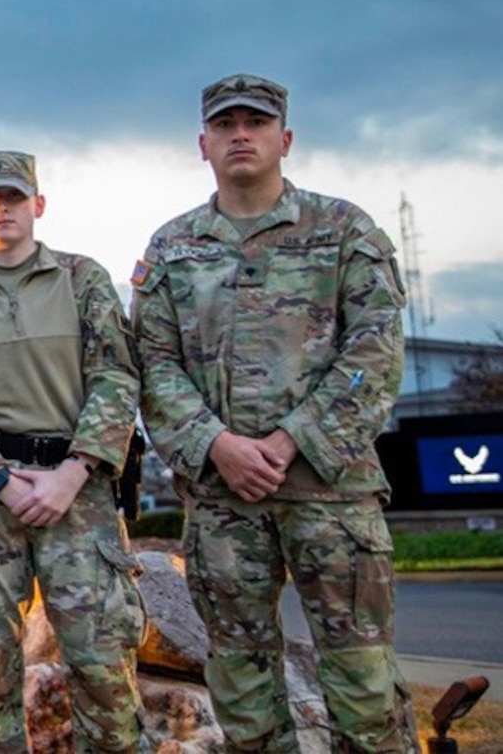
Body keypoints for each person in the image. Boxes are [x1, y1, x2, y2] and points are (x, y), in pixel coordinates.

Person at [132, 75, 415, 753]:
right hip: (223, 502)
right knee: (244, 698)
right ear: (202, 143)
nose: (240, 135)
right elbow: (152, 363)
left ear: (283, 139)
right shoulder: (173, 247)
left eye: (255, 123)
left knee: (364, 692)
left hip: (330, 498)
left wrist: (292, 440)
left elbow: (374, 351)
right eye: (224, 124)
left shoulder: (342, 230)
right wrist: (216, 444)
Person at [0, 151, 143, 753]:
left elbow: (116, 376)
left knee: (103, 669)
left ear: (38, 204)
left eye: (14, 198)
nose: (3, 210)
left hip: (78, 493)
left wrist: (73, 472)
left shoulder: (82, 279)